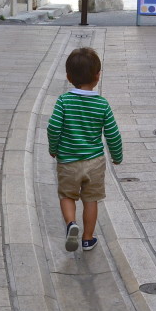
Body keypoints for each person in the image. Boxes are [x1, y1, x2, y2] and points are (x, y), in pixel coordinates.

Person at [47, 47, 123, 252]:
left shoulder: (64, 101)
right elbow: (113, 133)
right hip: (94, 162)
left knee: (67, 196)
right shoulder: (102, 104)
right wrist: (117, 156)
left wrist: (53, 148)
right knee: (91, 200)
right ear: (98, 76)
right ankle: (88, 239)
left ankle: (71, 224)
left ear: (69, 77)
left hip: (68, 161)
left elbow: (53, 127)